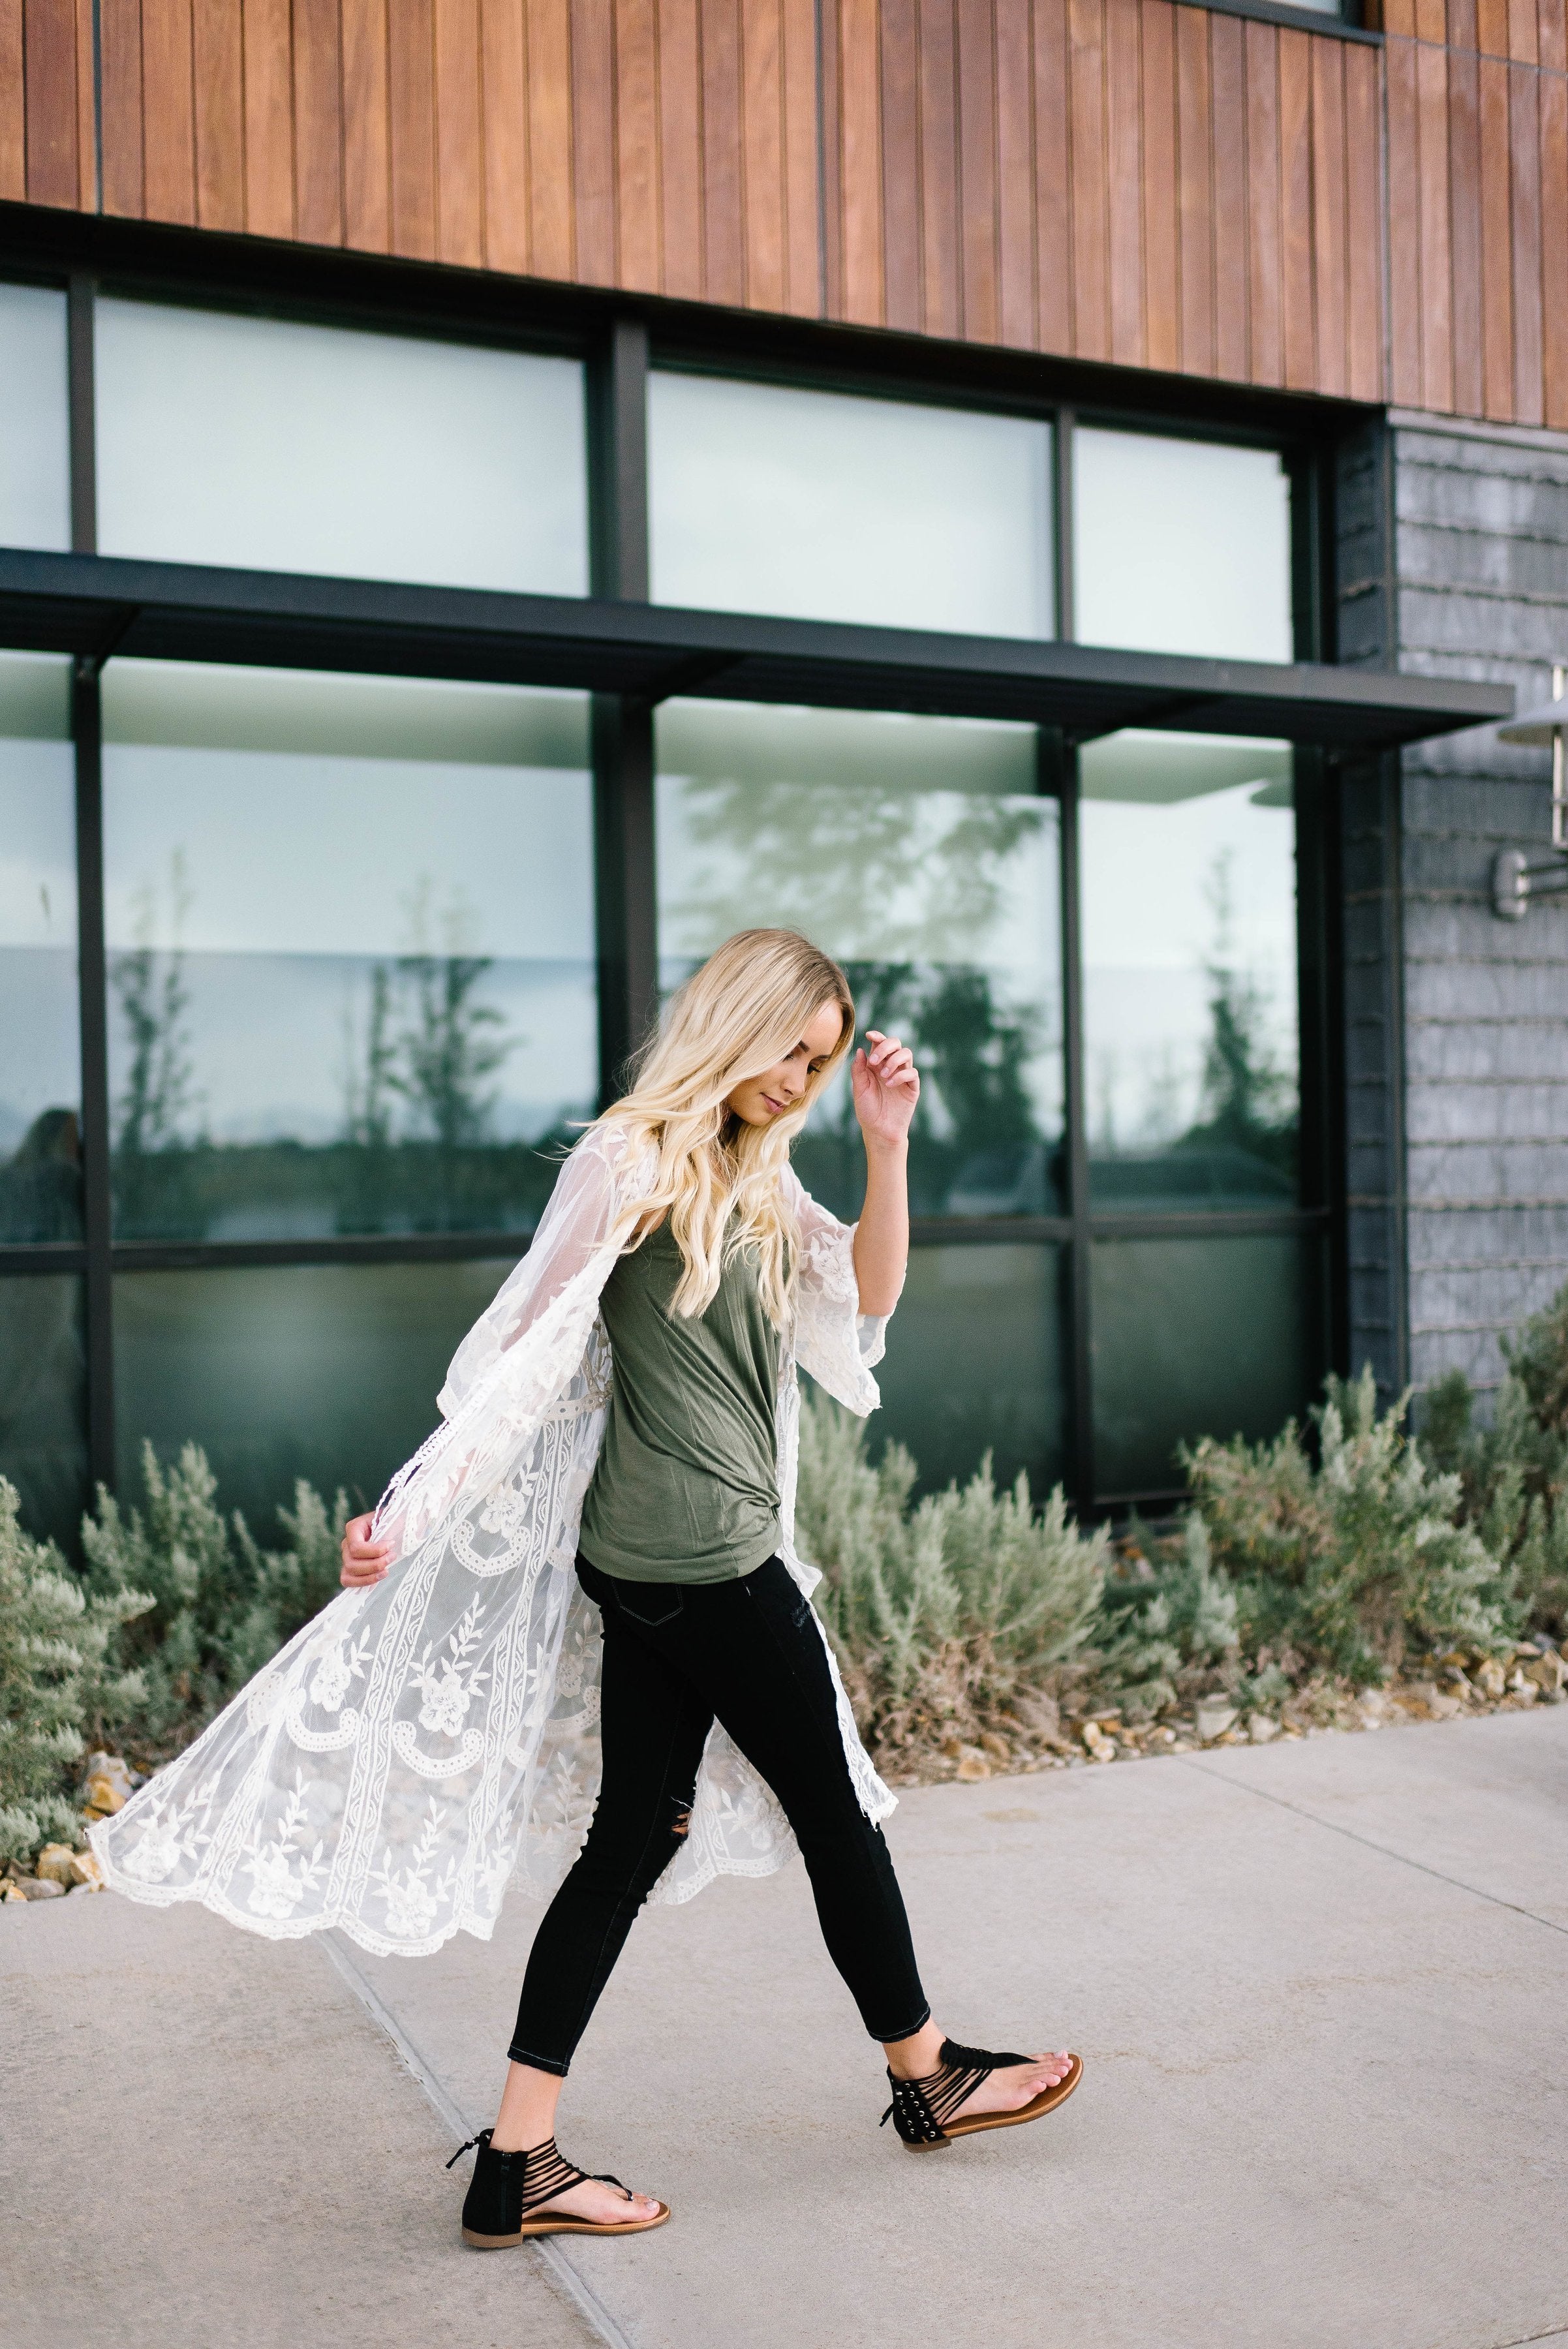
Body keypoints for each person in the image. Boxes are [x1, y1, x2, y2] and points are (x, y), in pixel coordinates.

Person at [93, 929, 1079, 2250]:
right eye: (788, 1050)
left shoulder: (757, 1175)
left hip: (659, 1560)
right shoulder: (634, 1158)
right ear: (733, 1021)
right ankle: (930, 2079)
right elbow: (521, 1348)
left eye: (818, 1063)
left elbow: (864, 1300)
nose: (796, 1081)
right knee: (834, 1816)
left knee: (632, 1836)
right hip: (710, 1562)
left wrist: (887, 1144)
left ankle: (517, 2164)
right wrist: (409, 1505)